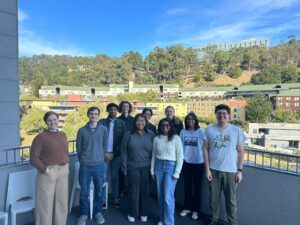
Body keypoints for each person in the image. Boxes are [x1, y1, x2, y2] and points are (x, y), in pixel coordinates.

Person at [203, 104, 246, 225]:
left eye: (224, 113)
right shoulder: (209, 129)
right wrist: (207, 170)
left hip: (231, 171)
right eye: (219, 113)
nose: (222, 115)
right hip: (213, 170)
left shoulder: (236, 130)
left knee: (231, 201)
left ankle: (233, 222)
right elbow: (205, 150)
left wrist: (240, 171)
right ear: (216, 115)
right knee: (213, 199)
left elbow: (241, 151)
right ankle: (214, 220)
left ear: (229, 116)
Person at [30, 111, 69, 225]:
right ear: (46, 122)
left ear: (58, 120)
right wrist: (46, 170)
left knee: (61, 203)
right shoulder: (40, 137)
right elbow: (33, 158)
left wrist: (67, 164)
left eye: (55, 119)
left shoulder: (63, 134)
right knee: (44, 204)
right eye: (50, 120)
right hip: (47, 172)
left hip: (63, 172)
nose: (53, 122)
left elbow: (65, 151)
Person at [76, 107, 108, 225]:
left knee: (99, 190)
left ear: (98, 115)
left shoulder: (104, 129)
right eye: (91, 114)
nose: (93, 116)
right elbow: (78, 148)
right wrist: (83, 160)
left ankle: (97, 213)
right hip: (85, 165)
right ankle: (84, 214)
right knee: (84, 191)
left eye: (95, 114)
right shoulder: (81, 130)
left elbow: (104, 146)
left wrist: (100, 156)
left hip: (99, 165)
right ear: (88, 115)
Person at [121, 113, 155, 222]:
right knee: (133, 191)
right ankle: (133, 213)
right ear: (134, 122)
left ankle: (144, 212)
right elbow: (123, 152)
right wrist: (124, 168)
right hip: (132, 167)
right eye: (138, 121)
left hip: (147, 167)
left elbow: (155, 152)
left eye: (143, 121)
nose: (141, 123)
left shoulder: (151, 134)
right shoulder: (128, 134)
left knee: (145, 191)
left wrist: (153, 169)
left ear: (146, 122)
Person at [151, 118, 184, 225]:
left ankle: (169, 222)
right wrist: (152, 171)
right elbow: (153, 156)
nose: (165, 127)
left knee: (167, 197)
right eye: (163, 125)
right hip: (159, 167)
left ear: (170, 126)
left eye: (167, 125)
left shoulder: (176, 138)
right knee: (160, 196)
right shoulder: (157, 138)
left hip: (171, 167)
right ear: (160, 127)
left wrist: (177, 172)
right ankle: (162, 219)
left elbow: (180, 157)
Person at [99, 103, 126, 208]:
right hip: (103, 155)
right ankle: (102, 199)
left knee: (115, 177)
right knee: (103, 177)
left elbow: (123, 140)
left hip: (116, 155)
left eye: (115, 109)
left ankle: (115, 197)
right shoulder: (102, 122)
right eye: (111, 109)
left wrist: (114, 153)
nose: (113, 111)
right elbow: (98, 139)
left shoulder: (121, 123)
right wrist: (105, 152)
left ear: (117, 111)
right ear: (108, 111)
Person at [179, 112, 205, 220]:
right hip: (186, 163)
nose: (190, 121)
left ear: (196, 120)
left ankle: (195, 210)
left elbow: (205, 147)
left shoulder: (200, 132)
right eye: (188, 119)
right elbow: (180, 147)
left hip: (198, 163)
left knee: (197, 188)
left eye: (192, 119)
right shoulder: (183, 132)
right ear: (186, 121)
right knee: (187, 187)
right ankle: (187, 208)